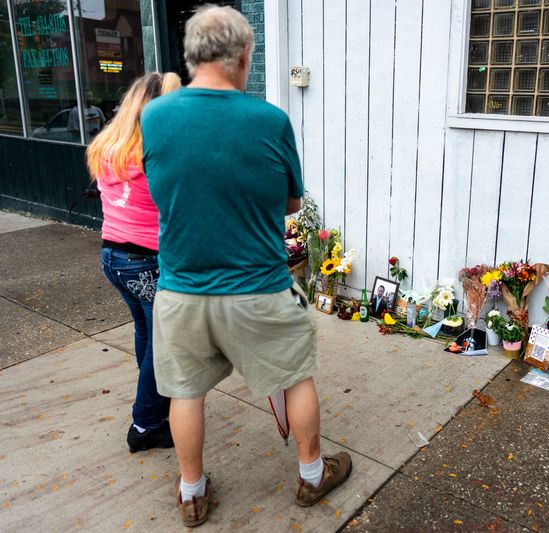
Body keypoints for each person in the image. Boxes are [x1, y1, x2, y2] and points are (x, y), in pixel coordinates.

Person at [140, 6, 351, 527]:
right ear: (243, 55)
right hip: (259, 288)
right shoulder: (269, 120)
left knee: (184, 391)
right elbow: (291, 204)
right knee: (296, 377)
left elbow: (161, 188)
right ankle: (310, 477)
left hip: (183, 288)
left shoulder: (155, 118)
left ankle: (192, 494)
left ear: (189, 56)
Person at [86, 72, 182, 453]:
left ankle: (154, 405)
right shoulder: (157, 153)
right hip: (145, 261)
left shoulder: (108, 146)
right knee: (163, 341)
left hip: (112, 257)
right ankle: (145, 424)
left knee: (145, 329)